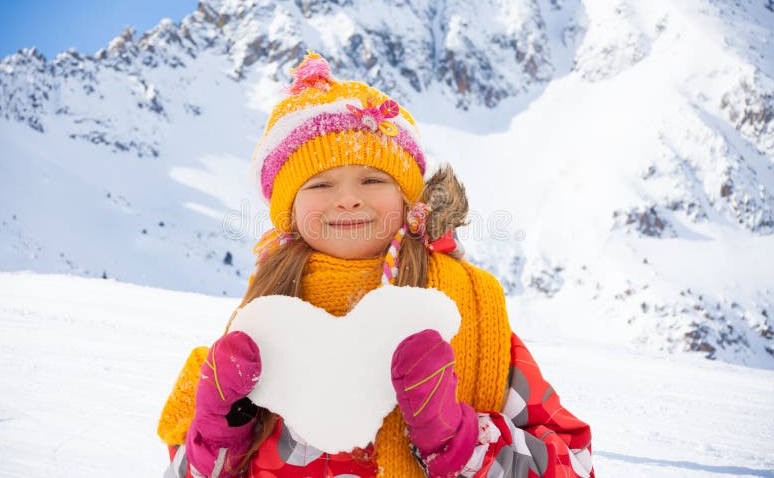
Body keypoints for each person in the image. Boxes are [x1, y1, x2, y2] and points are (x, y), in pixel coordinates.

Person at [157, 52, 594, 478]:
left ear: (408, 198)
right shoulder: (267, 312)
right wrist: (219, 433)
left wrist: (457, 439)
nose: (348, 197)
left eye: (372, 179)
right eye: (321, 183)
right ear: (289, 210)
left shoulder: (465, 316)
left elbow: (575, 466)